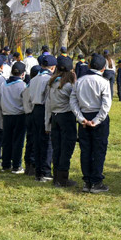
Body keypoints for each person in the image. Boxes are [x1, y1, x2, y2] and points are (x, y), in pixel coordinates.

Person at [70, 54, 112, 193]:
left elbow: (73, 101)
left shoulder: (79, 81)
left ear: (89, 66)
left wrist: (81, 118)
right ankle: (96, 182)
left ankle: (87, 181)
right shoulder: (104, 82)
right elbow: (106, 105)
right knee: (99, 150)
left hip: (84, 116)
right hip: (97, 116)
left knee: (86, 150)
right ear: (103, 68)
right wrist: (96, 120)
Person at [44, 55, 78, 187]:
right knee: (66, 148)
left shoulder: (52, 83)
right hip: (67, 117)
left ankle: (56, 177)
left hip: (55, 117)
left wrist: (47, 123)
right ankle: (63, 178)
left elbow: (48, 104)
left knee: (57, 148)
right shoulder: (69, 86)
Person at [23, 54, 56, 181]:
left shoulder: (34, 79)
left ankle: (37, 171)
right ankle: (45, 171)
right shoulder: (49, 79)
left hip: (34, 109)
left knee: (36, 140)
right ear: (52, 67)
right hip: (44, 109)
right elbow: (48, 99)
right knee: (46, 141)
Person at [0, 62, 28, 174]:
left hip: (6, 115)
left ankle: (5, 164)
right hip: (19, 116)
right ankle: (16, 165)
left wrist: (0, 118)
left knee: (6, 141)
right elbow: (26, 103)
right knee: (18, 141)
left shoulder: (3, 85)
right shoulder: (23, 86)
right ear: (23, 74)